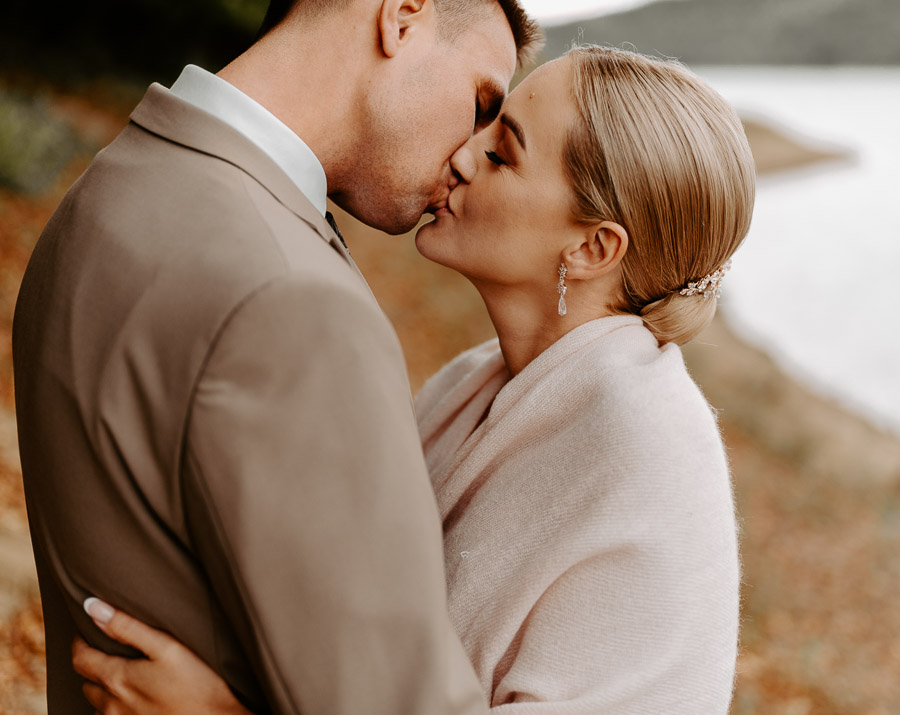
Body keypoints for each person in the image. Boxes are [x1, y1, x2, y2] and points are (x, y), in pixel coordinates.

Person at [69, 46, 756, 713]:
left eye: (501, 153)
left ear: (592, 247)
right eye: (485, 124)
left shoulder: (651, 453)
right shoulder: (468, 384)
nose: (460, 155)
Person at [11, 0, 542, 712]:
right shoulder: (293, 299)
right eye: (480, 104)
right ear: (403, 16)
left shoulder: (111, 185)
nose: (470, 156)